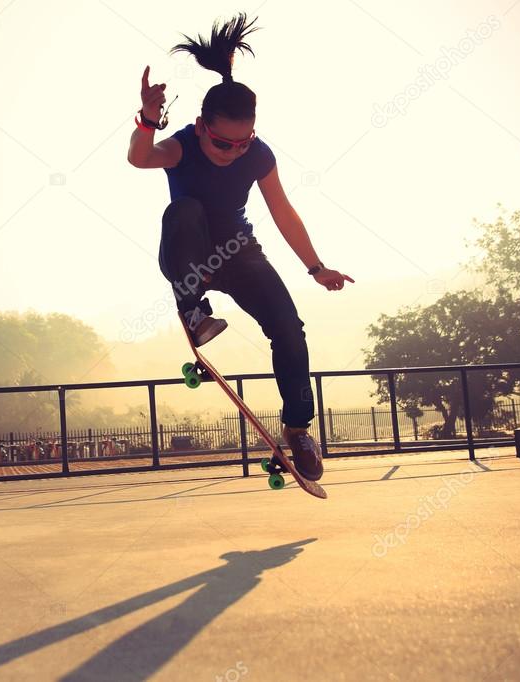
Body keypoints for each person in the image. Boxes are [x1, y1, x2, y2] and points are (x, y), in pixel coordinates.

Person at [127, 13, 354, 481]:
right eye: (221, 143)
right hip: (190, 256)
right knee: (182, 210)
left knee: (289, 329)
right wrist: (149, 119)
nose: (231, 152)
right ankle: (194, 309)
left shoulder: (259, 155)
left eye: (241, 143)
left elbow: (283, 211)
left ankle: (298, 429)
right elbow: (140, 158)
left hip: (239, 253)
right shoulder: (182, 145)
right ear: (200, 127)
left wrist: (317, 267)